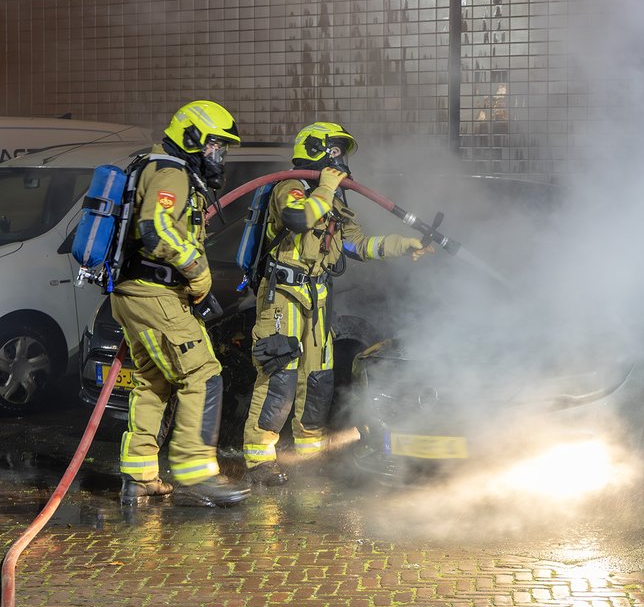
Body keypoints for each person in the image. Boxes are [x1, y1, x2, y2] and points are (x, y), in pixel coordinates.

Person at [242, 121, 432, 486]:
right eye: (334, 150)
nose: (340, 159)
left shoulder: (333, 199)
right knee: (279, 376)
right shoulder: (290, 188)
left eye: (341, 152)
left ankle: (308, 457)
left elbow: (356, 245)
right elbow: (298, 219)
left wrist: (403, 243)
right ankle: (258, 459)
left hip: (319, 297)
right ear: (314, 150)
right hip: (283, 296)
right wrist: (326, 188)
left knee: (318, 378)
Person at [115, 100, 251, 508]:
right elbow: (154, 229)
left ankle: (138, 477)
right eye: (213, 145)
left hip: (139, 293)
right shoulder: (171, 171)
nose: (218, 154)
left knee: (153, 383)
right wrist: (197, 271)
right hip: (153, 293)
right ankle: (196, 474)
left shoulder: (161, 169)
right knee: (204, 374)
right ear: (190, 137)